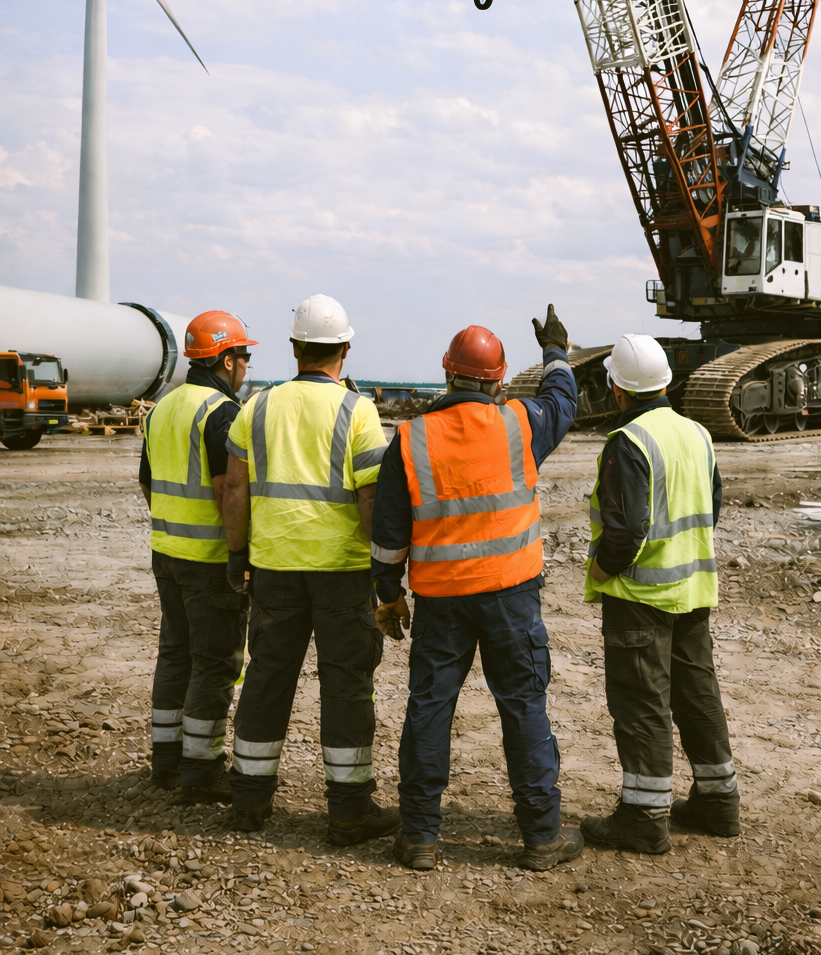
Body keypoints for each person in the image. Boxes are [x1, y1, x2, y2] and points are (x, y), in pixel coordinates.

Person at [372, 306, 581, 873]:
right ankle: (541, 839)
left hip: (440, 602)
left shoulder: (411, 440)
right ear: (496, 380)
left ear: (447, 375)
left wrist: (388, 596)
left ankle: (419, 837)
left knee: (430, 711)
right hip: (511, 597)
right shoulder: (520, 424)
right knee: (524, 708)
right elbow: (565, 401)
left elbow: (388, 533)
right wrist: (557, 351)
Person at [220, 294, 393, 843]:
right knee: (346, 686)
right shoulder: (357, 410)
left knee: (267, 680)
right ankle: (348, 810)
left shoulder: (257, 407)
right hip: (342, 574)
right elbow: (371, 501)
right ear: (344, 348)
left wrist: (235, 555)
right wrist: (384, 573)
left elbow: (234, 490)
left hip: (273, 570)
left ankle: (248, 801)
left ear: (294, 348)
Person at [579, 333, 738, 854]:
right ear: (666, 381)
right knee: (697, 696)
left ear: (618, 390)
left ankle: (645, 817)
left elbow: (625, 532)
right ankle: (718, 803)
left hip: (642, 597)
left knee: (642, 703)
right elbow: (711, 508)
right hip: (694, 590)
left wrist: (602, 569)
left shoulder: (629, 441)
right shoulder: (698, 433)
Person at [141, 310, 258, 802]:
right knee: (214, 662)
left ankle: (166, 759)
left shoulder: (163, 407)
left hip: (166, 552)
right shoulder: (221, 412)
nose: (247, 366)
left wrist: (171, 528)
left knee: (175, 653)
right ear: (227, 359)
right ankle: (200, 768)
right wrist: (239, 554)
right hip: (208, 559)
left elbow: (147, 482)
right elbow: (227, 491)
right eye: (245, 356)